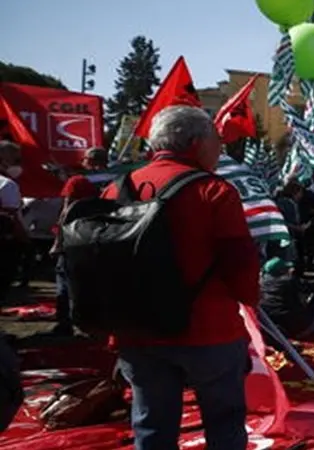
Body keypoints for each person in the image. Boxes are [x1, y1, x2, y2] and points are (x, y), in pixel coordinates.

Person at [101, 107, 260, 449]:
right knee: (225, 428)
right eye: (217, 142)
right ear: (195, 143)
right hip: (208, 329)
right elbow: (240, 264)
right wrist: (250, 300)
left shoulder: (116, 190)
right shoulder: (215, 191)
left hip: (137, 331)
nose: (220, 149)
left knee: (152, 428)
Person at [50, 168, 100, 335]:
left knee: (64, 283)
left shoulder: (75, 182)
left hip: (70, 242)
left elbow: (65, 214)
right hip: (89, 241)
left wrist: (57, 244)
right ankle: (88, 323)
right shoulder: (98, 187)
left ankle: (65, 323)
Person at [0, 141, 26, 303]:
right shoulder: (7, 185)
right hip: (5, 242)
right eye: (16, 159)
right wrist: (24, 240)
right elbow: (13, 217)